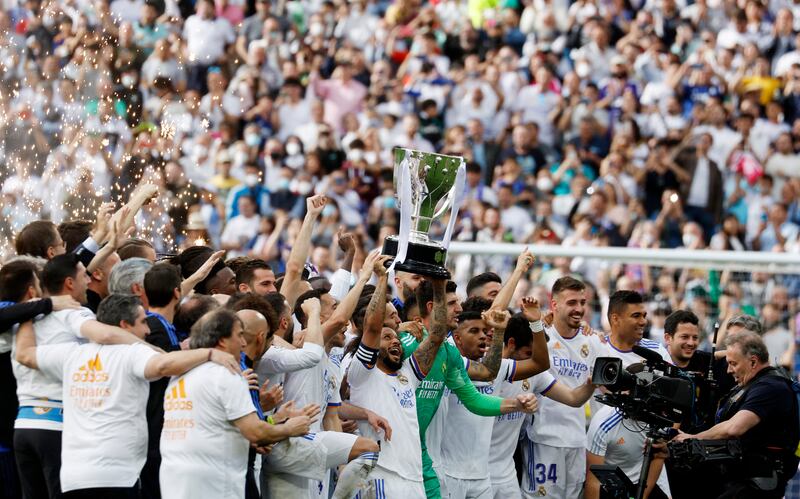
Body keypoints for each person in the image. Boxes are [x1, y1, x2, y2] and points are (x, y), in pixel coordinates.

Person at [13, 293, 241, 498]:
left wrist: (27, 314)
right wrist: (208, 353)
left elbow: (25, 354)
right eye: (143, 322)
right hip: (117, 476)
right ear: (124, 325)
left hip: (74, 478)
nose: (148, 330)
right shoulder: (133, 353)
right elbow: (163, 366)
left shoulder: (72, 354)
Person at [11, 254, 144, 499]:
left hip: (24, 426)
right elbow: (104, 336)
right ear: (70, 283)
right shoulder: (74, 314)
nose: (90, 280)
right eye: (85, 275)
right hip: (56, 426)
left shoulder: (24, 321)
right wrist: (147, 349)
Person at [159, 308, 318, 498]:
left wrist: (262, 430)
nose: (243, 343)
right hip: (214, 484)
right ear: (222, 340)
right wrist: (290, 428)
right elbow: (255, 432)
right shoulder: (226, 375)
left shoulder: (179, 377)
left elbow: (210, 426)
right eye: (239, 335)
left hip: (174, 482)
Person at [673, 331, 800, 498]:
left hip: (758, 483)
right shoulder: (752, 383)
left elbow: (734, 427)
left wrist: (693, 437)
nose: (728, 370)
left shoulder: (770, 387)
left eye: (733, 363)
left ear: (753, 361)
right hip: (739, 477)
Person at [522, 276, 600, 499]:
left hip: (577, 440)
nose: (579, 309)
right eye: (572, 303)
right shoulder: (540, 339)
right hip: (544, 437)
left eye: (582, 303)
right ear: (554, 305)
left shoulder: (592, 342)